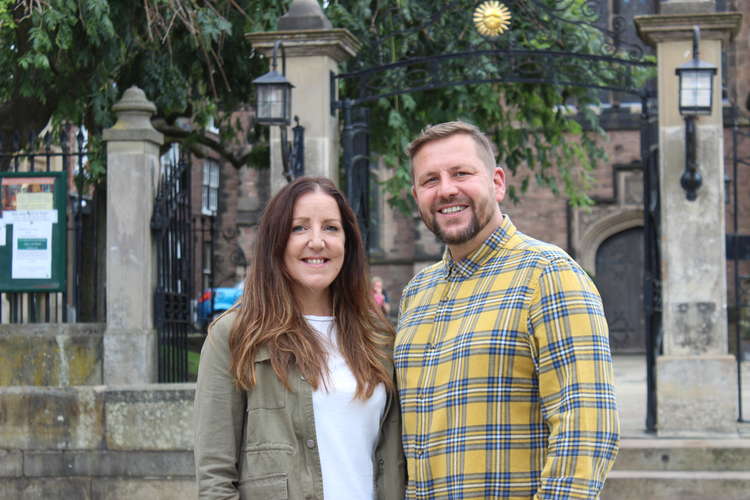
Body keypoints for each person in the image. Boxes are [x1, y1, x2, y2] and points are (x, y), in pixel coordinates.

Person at [395, 121, 619, 499]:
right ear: (416, 195)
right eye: (430, 180)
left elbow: (586, 428)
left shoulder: (548, 275)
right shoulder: (416, 293)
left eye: (462, 173)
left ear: (497, 182)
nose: (446, 189)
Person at [194, 177, 405, 499]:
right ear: (276, 241)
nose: (317, 241)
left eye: (331, 228)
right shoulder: (235, 336)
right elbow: (215, 479)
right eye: (299, 228)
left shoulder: (378, 338)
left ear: (348, 243)